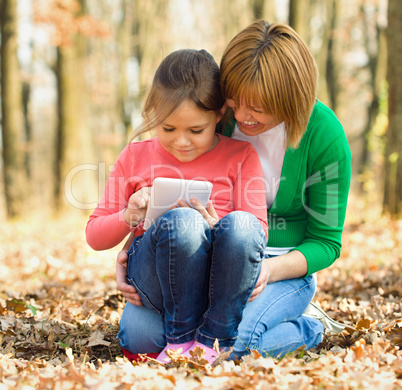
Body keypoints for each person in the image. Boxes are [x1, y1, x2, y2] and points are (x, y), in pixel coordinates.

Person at [116, 20, 352, 361]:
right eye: (234, 100)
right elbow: (169, 191)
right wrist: (129, 249)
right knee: (142, 338)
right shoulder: (217, 118)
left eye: (258, 107)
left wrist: (268, 271)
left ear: (290, 98)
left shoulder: (324, 135)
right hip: (207, 259)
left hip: (279, 267)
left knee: (232, 343)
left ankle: (309, 328)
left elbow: (326, 242)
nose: (242, 116)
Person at [86, 49, 268, 364]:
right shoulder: (135, 156)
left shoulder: (241, 156)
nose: (181, 142)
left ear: (219, 114)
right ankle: (181, 340)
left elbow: (255, 233)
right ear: (153, 114)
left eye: (195, 130)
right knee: (139, 338)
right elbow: (95, 236)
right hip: (156, 280)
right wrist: (130, 215)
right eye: (168, 129)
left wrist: (216, 227)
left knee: (239, 225)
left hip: (217, 285)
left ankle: (214, 339)